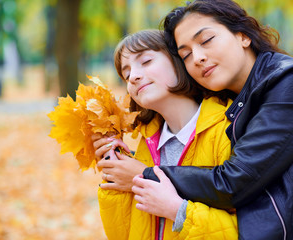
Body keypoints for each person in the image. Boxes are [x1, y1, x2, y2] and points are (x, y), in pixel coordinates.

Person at [132, 0, 293, 239]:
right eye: (186, 54)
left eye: (206, 41)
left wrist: (145, 173)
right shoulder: (233, 103)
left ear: (243, 36)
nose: (198, 58)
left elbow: (234, 182)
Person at [93, 29, 238, 240]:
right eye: (126, 74)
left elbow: (251, 229)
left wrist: (176, 210)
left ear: (179, 60)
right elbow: (125, 233)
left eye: (146, 61)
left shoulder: (226, 130)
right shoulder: (147, 144)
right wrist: (113, 170)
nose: (133, 76)